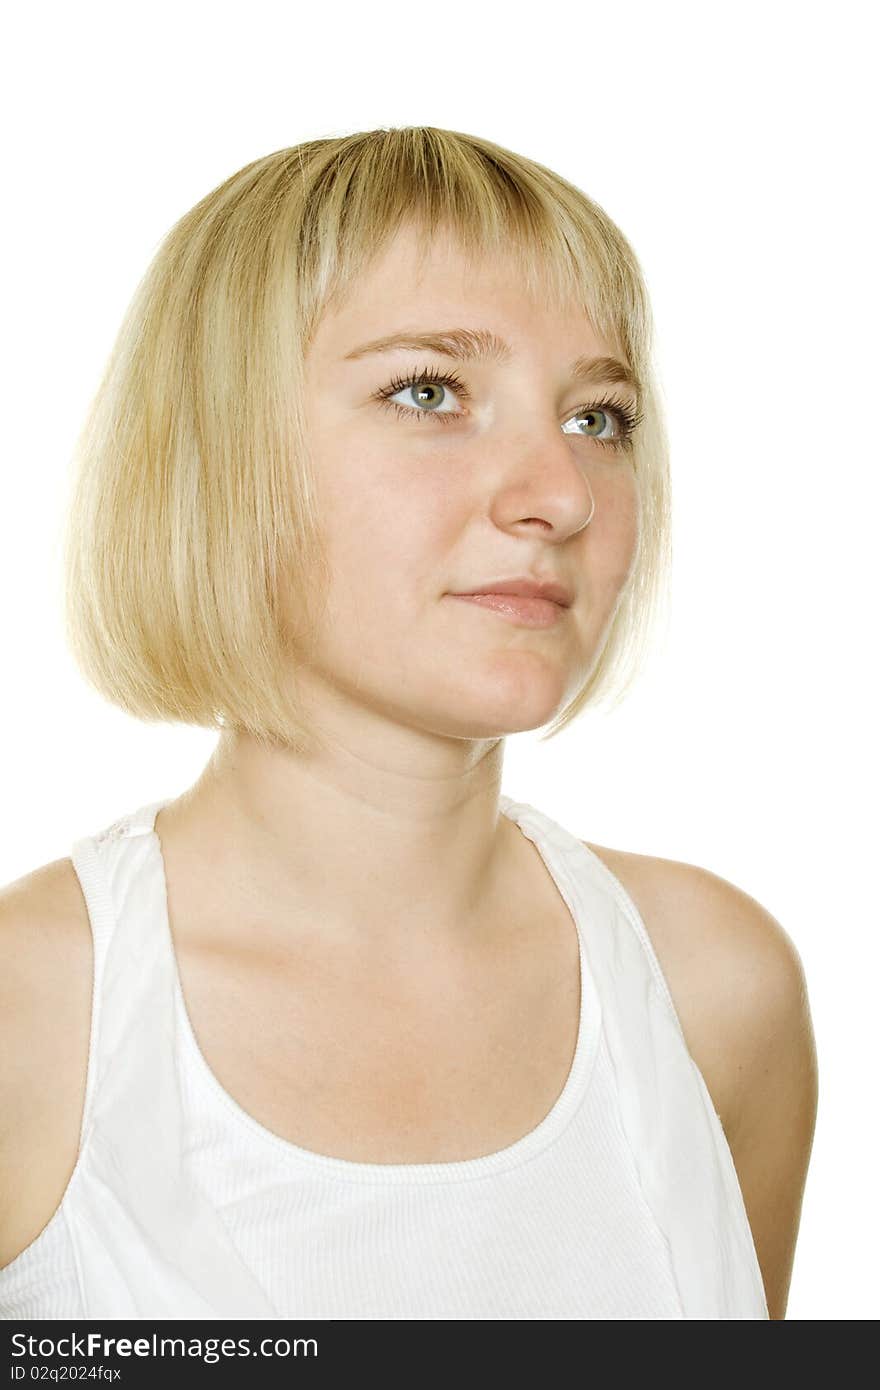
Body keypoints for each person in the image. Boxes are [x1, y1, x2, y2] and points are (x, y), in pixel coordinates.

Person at [0, 126, 817, 1321]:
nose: (558, 494)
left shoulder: (713, 986)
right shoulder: (30, 1017)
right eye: (428, 392)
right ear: (218, 454)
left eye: (599, 415)